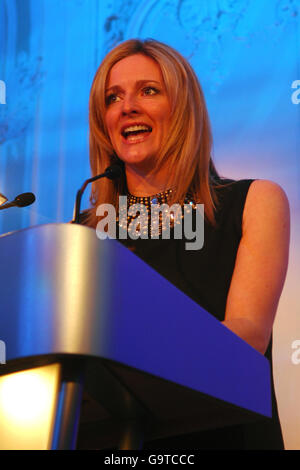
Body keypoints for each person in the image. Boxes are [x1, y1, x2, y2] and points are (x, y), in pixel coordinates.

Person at [79, 38, 290, 449]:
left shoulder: (253, 201)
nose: (128, 107)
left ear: (184, 110)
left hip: (222, 435)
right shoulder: (81, 236)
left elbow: (245, 337)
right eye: (113, 97)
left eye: (149, 90)